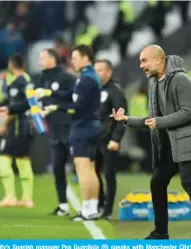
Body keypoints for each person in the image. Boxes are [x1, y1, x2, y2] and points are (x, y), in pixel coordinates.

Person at [111, 45, 191, 239]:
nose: (141, 65)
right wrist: (126, 120)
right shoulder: (155, 84)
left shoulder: (181, 79)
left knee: (189, 183)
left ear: (158, 60)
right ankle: (160, 232)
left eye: (144, 60)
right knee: (158, 181)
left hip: (187, 142)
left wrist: (160, 122)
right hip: (168, 146)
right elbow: (151, 119)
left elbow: (190, 112)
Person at [36, 45, 101, 221]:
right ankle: (92, 207)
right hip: (92, 126)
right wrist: (50, 94)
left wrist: (56, 107)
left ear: (86, 58)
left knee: (83, 169)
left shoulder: (85, 79)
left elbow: (77, 105)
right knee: (91, 168)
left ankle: (87, 209)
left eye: (75, 57)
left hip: (82, 127)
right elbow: (71, 95)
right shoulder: (89, 77)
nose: (72, 61)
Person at [0, 54, 34, 208]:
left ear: (11, 65)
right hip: (18, 127)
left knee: (6, 160)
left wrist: (4, 121)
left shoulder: (23, 81)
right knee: (22, 161)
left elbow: (27, 104)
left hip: (19, 127)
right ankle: (26, 198)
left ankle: (12, 197)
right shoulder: (20, 81)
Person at [37, 48, 75, 216]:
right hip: (54, 130)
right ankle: (63, 205)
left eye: (43, 57)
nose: (40, 61)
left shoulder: (66, 77)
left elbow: (74, 97)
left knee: (83, 168)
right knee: (58, 168)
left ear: (53, 58)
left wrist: (52, 96)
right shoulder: (42, 78)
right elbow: (41, 100)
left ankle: (94, 204)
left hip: (71, 128)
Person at [94, 59, 127, 219]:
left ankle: (107, 210)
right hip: (96, 138)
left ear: (109, 72)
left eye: (100, 70)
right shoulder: (97, 89)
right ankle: (100, 203)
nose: (97, 73)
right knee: (94, 173)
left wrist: (116, 138)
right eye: (95, 70)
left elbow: (122, 117)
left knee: (109, 174)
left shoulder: (116, 90)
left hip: (109, 139)